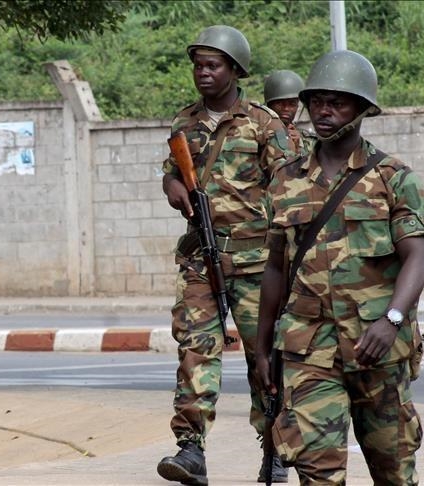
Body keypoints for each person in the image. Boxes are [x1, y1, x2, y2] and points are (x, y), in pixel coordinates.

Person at [255, 50, 424, 484]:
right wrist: (261, 349)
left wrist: (392, 318)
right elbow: (276, 268)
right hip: (308, 348)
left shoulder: (393, 176)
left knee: (394, 470)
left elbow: (417, 255)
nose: (324, 111)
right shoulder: (285, 179)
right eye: (317, 101)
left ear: (362, 108)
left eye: (338, 102)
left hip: (377, 346)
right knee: (317, 471)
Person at [156, 25, 293, 485]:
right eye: (198, 65)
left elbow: (290, 188)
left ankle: (275, 451)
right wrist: (175, 189)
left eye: (213, 65)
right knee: (196, 349)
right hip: (201, 258)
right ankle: (190, 450)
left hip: (258, 263)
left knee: (265, 356)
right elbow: (171, 175)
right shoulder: (184, 122)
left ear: (235, 69)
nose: (203, 73)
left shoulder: (264, 122)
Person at [263, 69, 314, 155]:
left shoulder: (308, 141)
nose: (286, 108)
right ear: (269, 104)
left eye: (292, 104)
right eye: (279, 103)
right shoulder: (257, 134)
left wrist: (298, 148)